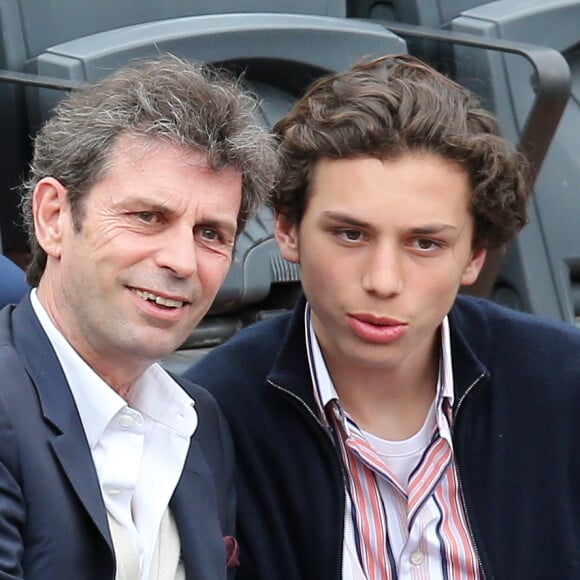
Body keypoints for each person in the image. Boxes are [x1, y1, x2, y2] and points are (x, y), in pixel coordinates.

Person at [185, 54, 580, 579]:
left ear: (475, 257)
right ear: (287, 230)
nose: (383, 280)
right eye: (351, 234)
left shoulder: (562, 384)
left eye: (425, 243)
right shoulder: (210, 417)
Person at [0, 55, 277, 579]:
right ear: (54, 218)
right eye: (148, 217)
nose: (182, 261)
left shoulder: (202, 420)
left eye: (210, 234)